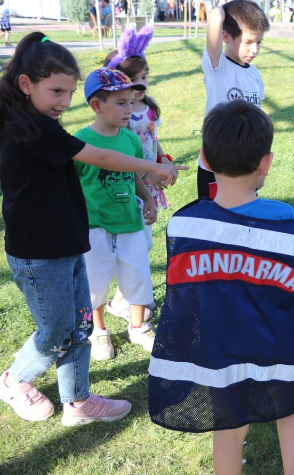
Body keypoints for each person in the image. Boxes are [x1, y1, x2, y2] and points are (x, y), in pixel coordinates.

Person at [0, 33, 181, 425]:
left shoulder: (37, 121)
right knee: (58, 329)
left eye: (68, 92)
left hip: (68, 241)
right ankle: (14, 380)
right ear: (26, 84)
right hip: (38, 253)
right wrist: (151, 168)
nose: (65, 102)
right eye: (56, 91)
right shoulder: (31, 128)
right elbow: (97, 156)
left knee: (80, 321)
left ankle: (78, 402)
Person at [148, 100, 294, 475]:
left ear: (204, 157)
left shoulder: (186, 226)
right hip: (279, 344)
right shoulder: (289, 226)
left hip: (219, 349)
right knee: (291, 407)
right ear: (265, 162)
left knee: (229, 427)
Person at [74, 68, 165, 360]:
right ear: (96, 106)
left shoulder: (130, 140)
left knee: (138, 277)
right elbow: (71, 186)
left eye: (130, 101)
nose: (129, 109)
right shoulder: (80, 142)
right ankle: (98, 330)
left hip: (130, 224)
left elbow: (135, 173)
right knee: (94, 283)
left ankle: (137, 326)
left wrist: (148, 198)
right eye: (121, 103)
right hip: (95, 227)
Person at [102, 26, 176, 320]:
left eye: (144, 77)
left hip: (148, 181)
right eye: (133, 79)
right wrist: (147, 174)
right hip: (129, 182)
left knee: (143, 241)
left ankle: (125, 298)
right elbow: (122, 155)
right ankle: (123, 300)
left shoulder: (148, 109)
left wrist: (162, 160)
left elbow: (153, 140)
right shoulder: (119, 113)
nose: (141, 84)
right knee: (134, 243)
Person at [197, 0, 270, 199]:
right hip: (217, 168)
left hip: (247, 166)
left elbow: (258, 125)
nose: (254, 49)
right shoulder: (217, 68)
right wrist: (222, 10)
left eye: (258, 42)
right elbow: (214, 18)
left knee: (244, 220)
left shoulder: (254, 74)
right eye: (248, 42)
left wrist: (260, 170)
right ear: (225, 36)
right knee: (215, 223)